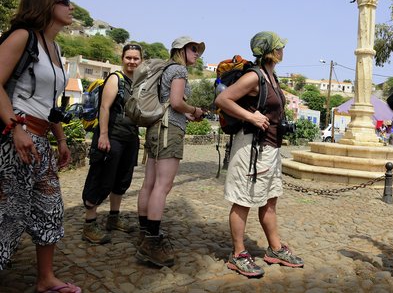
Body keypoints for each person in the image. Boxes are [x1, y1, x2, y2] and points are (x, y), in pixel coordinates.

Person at [0, 0, 81, 293]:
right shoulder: (23, 37)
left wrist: (60, 139)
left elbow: (50, 103)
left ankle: (45, 279)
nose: (71, 6)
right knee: (8, 213)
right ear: (46, 4)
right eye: (64, 0)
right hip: (16, 140)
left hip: (41, 141)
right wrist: (15, 128)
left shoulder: (55, 48)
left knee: (50, 209)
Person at [215, 31, 304, 278]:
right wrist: (250, 116)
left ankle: (275, 249)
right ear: (271, 51)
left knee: (270, 199)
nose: (283, 50)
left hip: (270, 148)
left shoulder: (270, 75)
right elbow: (223, 99)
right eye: (279, 47)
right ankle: (238, 254)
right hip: (252, 148)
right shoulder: (255, 76)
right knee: (243, 201)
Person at [136, 36, 205, 267]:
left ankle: (144, 233)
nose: (197, 53)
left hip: (156, 127)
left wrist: (188, 114)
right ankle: (153, 242)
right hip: (169, 131)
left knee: (149, 183)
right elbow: (176, 102)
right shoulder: (179, 71)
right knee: (162, 186)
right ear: (181, 50)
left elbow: (168, 103)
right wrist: (194, 109)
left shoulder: (165, 69)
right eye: (193, 49)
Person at [81, 44, 143, 244]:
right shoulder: (115, 79)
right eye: (128, 57)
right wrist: (103, 135)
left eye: (136, 58)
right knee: (101, 177)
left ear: (141, 60)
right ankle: (89, 224)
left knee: (122, 180)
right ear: (122, 58)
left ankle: (113, 219)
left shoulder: (138, 83)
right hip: (112, 137)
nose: (132, 61)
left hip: (130, 138)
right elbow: (105, 108)